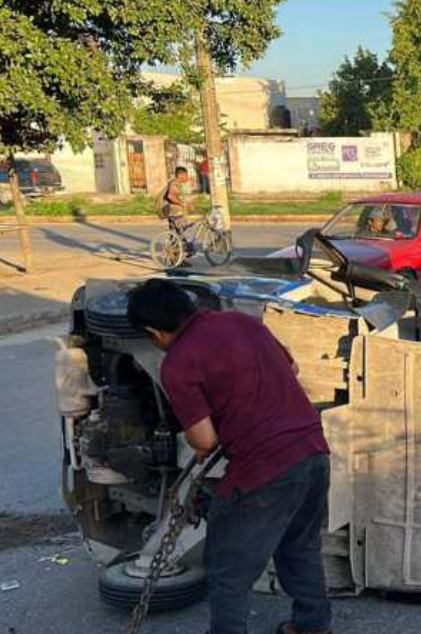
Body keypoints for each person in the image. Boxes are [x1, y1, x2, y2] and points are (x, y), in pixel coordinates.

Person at [125, 279, 332, 634]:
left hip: (265, 468)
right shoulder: (241, 322)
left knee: (227, 566)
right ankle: (313, 626)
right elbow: (292, 368)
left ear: (153, 332)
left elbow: (204, 440)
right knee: (300, 546)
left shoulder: (177, 363)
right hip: (313, 450)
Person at [159, 166, 193, 232]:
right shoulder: (174, 184)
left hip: (168, 208)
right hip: (169, 209)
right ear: (180, 176)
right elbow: (170, 196)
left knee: (176, 230)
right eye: (186, 175)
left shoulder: (176, 183)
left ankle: (176, 240)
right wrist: (181, 203)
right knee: (185, 226)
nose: (187, 177)